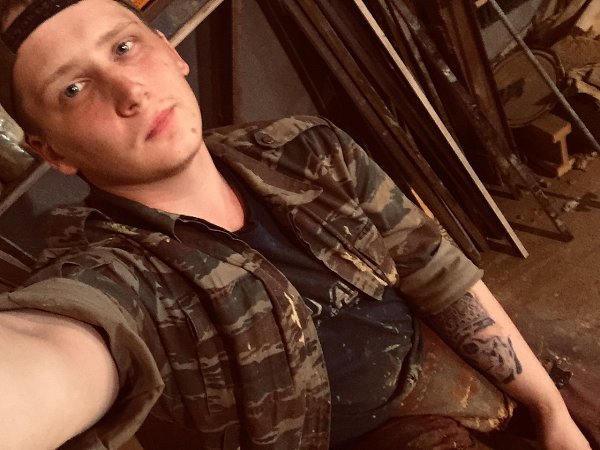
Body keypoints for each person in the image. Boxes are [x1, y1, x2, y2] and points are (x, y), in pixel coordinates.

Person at [0, 0, 592, 449]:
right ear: (51, 151)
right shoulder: (114, 277)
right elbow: (49, 358)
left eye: (124, 47)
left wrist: (552, 412)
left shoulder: (307, 150)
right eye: (73, 89)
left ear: (170, 51)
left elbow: (439, 279)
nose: (128, 91)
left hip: (457, 378)